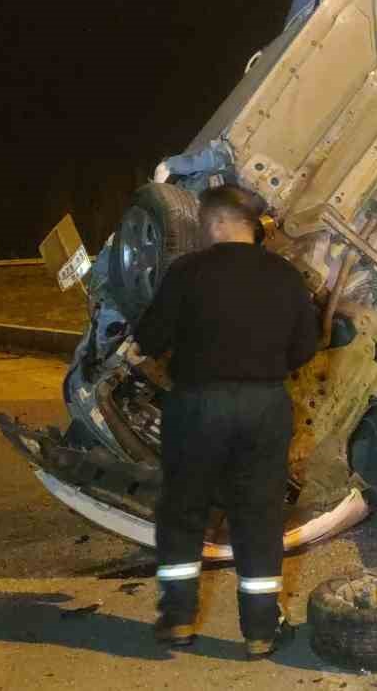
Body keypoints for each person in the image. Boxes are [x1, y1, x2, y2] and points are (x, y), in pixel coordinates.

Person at [134, 183, 319, 659]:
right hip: (264, 407)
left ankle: (177, 621)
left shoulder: (186, 272)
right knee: (258, 515)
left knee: (183, 512)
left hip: (197, 404)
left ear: (215, 223)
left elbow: (151, 337)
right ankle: (260, 631)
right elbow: (305, 347)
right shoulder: (285, 275)